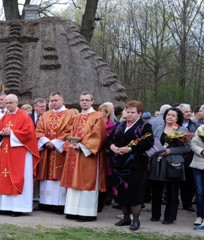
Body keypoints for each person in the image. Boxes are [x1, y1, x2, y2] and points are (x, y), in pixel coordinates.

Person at [106, 101, 154, 231]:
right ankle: (126, 217)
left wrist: (130, 149)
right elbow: (109, 138)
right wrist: (112, 147)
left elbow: (148, 142)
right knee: (121, 192)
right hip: (119, 164)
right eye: (128, 112)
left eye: (133, 112)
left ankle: (136, 220)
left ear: (139, 113)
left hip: (135, 165)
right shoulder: (120, 125)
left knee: (134, 193)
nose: (130, 115)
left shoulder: (145, 126)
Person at [60, 93, 105, 222]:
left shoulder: (97, 117)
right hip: (74, 153)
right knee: (73, 182)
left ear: (92, 101)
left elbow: (98, 136)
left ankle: (87, 213)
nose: (84, 102)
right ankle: (72, 210)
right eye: (82, 100)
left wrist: (83, 145)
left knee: (86, 182)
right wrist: (71, 143)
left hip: (87, 155)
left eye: (87, 100)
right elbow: (71, 132)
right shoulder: (77, 116)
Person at [0, 94, 40, 216]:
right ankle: (4, 206)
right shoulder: (3, 118)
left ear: (17, 103)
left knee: (18, 177)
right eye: (6, 103)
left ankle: (19, 208)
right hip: (5, 153)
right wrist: (1, 134)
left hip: (19, 155)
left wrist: (12, 133)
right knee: (4, 177)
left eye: (10, 103)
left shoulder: (24, 117)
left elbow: (29, 134)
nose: (8, 105)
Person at [148, 107, 191, 225]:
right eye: (168, 114)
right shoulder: (158, 128)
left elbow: (187, 148)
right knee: (156, 190)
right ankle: (155, 215)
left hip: (173, 164)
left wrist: (170, 151)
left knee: (172, 192)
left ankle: (169, 217)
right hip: (158, 163)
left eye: (173, 115)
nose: (170, 117)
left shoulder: (181, 130)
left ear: (177, 118)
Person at [36, 92, 74, 213]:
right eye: (51, 101)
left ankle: (60, 204)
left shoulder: (70, 114)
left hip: (60, 151)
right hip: (47, 150)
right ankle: (44, 203)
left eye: (56, 100)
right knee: (46, 175)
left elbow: (70, 130)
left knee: (59, 175)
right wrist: (46, 141)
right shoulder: (46, 114)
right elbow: (39, 129)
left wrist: (55, 143)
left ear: (62, 100)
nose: (53, 103)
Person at [191, 122, 204, 228]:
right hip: (199, 165)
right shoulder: (201, 129)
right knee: (200, 192)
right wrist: (202, 151)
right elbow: (193, 144)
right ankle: (200, 215)